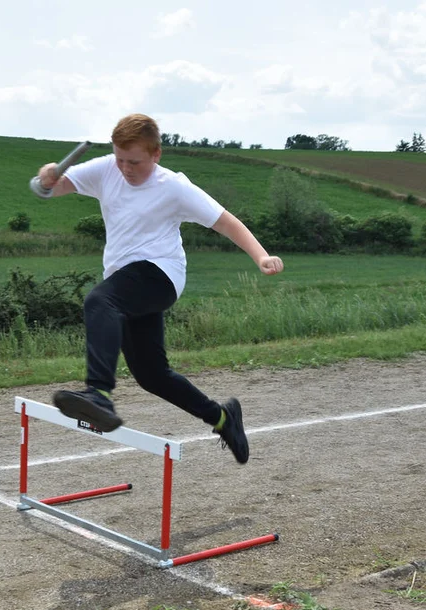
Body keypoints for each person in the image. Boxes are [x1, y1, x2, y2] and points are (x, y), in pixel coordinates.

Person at [33, 113, 283, 464]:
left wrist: (261, 256)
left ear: (156, 154)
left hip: (160, 274)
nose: (125, 168)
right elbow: (54, 187)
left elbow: (225, 222)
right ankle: (223, 418)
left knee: (99, 300)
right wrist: (47, 178)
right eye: (120, 159)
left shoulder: (174, 187)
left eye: (134, 161)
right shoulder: (108, 168)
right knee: (151, 375)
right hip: (126, 281)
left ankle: (98, 394)